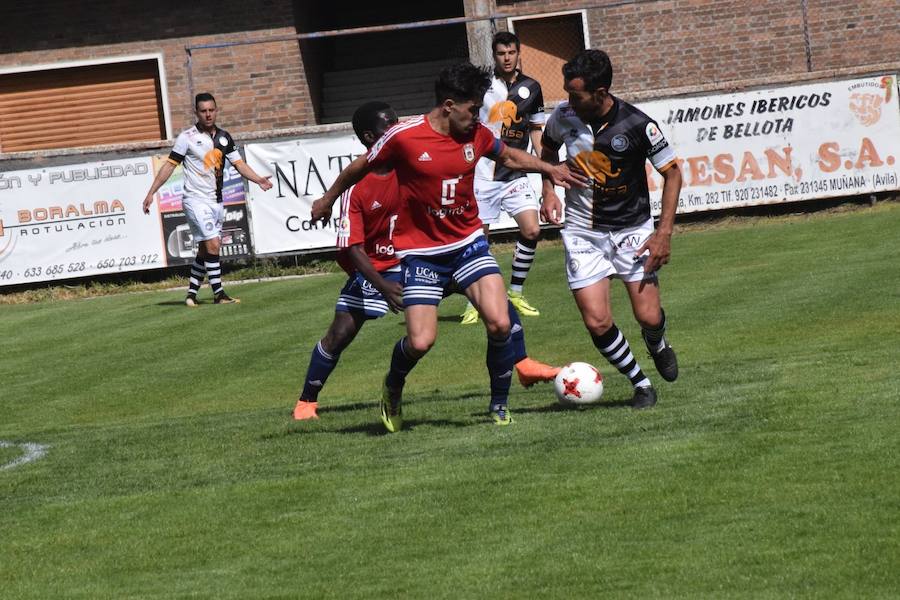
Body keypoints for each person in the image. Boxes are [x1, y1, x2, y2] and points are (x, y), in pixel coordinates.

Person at [311, 63, 584, 432]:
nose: (477, 117)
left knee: (501, 321)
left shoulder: (476, 135)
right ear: (449, 105)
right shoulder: (404, 137)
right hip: (421, 253)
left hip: (468, 243)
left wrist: (548, 170)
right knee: (421, 342)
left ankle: (499, 405)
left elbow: (508, 157)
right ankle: (393, 385)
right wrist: (328, 198)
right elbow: (359, 167)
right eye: (473, 109)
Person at [540, 49, 682, 409]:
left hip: (631, 231)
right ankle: (642, 384)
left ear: (600, 93)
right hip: (581, 232)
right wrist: (548, 188)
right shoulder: (564, 115)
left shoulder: (637, 124)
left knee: (648, 316)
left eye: (576, 94)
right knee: (598, 320)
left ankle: (658, 344)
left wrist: (663, 233)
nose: (568, 101)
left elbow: (673, 173)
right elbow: (548, 146)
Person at [143, 92, 272, 305]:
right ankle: (219, 294)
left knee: (205, 249)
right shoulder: (187, 138)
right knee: (213, 244)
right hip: (195, 200)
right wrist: (151, 192)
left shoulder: (224, 137)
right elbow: (169, 165)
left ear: (216, 110)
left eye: (211, 110)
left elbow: (239, 165)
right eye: (203, 111)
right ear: (196, 113)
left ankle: (191, 294)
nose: (208, 115)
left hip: (216, 201)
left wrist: (258, 179)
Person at [461, 31, 547, 325]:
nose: (507, 58)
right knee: (478, 241)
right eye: (501, 53)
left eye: (511, 52)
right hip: (483, 175)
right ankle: (476, 300)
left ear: (518, 53)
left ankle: (516, 292)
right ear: (494, 56)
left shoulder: (532, 88)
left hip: (515, 174)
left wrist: (544, 167)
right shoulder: (482, 87)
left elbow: (536, 129)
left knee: (532, 230)